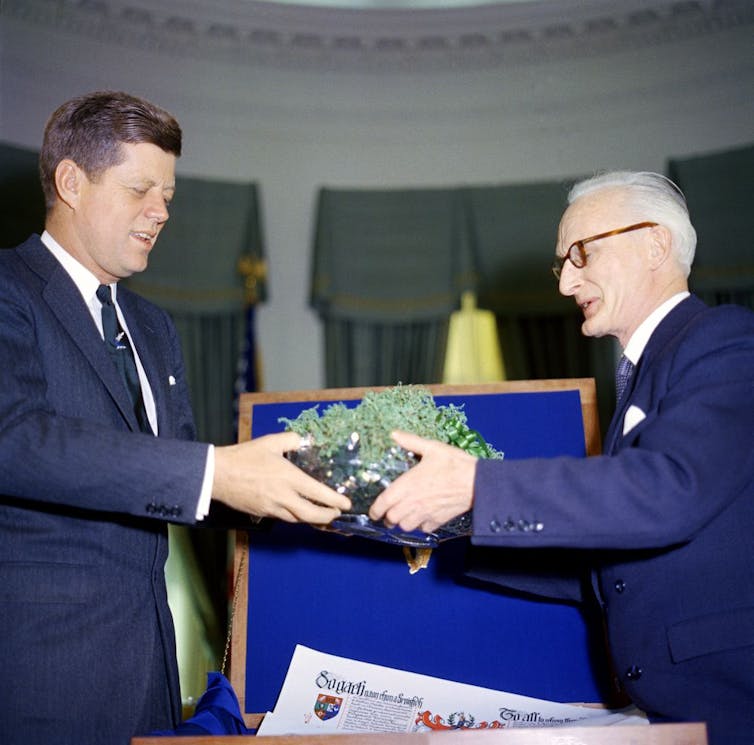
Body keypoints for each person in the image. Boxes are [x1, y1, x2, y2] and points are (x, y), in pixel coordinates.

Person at [0, 91, 349, 745]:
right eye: (140, 189)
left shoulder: (154, 327)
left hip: (151, 670)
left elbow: (183, 483)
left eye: (167, 194)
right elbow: (13, 439)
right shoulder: (7, 289)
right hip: (38, 674)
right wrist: (217, 469)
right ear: (71, 181)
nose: (161, 212)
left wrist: (294, 489)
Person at [369, 170, 754, 745]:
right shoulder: (644, 374)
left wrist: (477, 487)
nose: (566, 283)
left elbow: (670, 489)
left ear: (656, 244)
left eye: (582, 254)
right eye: (562, 263)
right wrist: (449, 533)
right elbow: (610, 569)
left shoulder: (723, 338)